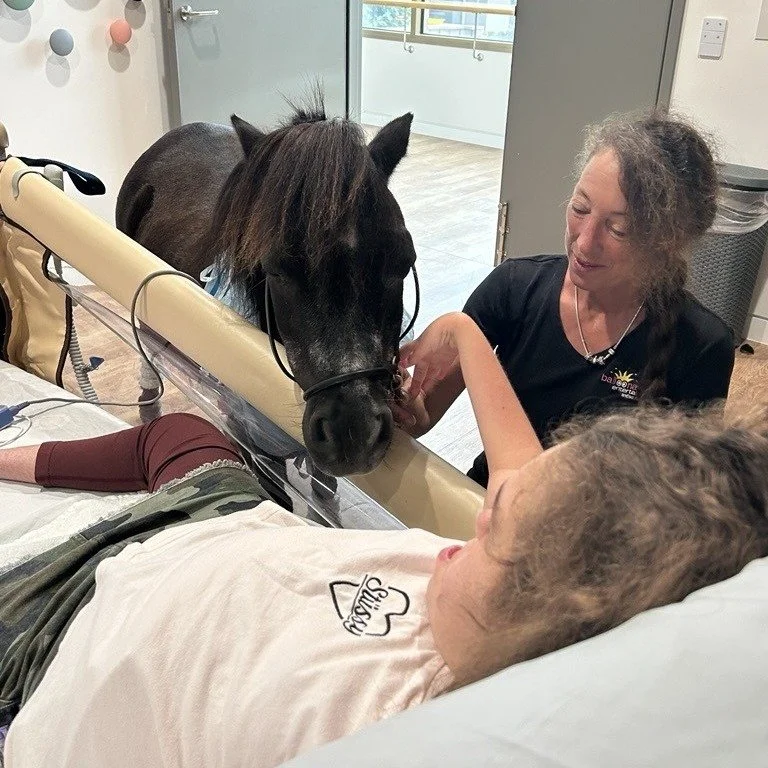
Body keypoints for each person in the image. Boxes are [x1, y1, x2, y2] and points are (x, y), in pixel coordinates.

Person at [1, 313, 766, 768]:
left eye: (493, 536)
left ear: (544, 625)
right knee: (182, 431)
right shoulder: (530, 590)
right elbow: (522, 481)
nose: (477, 520)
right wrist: (464, 336)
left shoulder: (393, 730)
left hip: (76, 618)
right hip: (223, 518)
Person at [395, 112, 736, 487]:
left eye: (618, 228)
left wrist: (460, 331)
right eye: (580, 208)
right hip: (487, 506)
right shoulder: (514, 289)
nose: (585, 241)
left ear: (667, 243)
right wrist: (396, 401)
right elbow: (421, 417)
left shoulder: (702, 345)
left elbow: (677, 507)